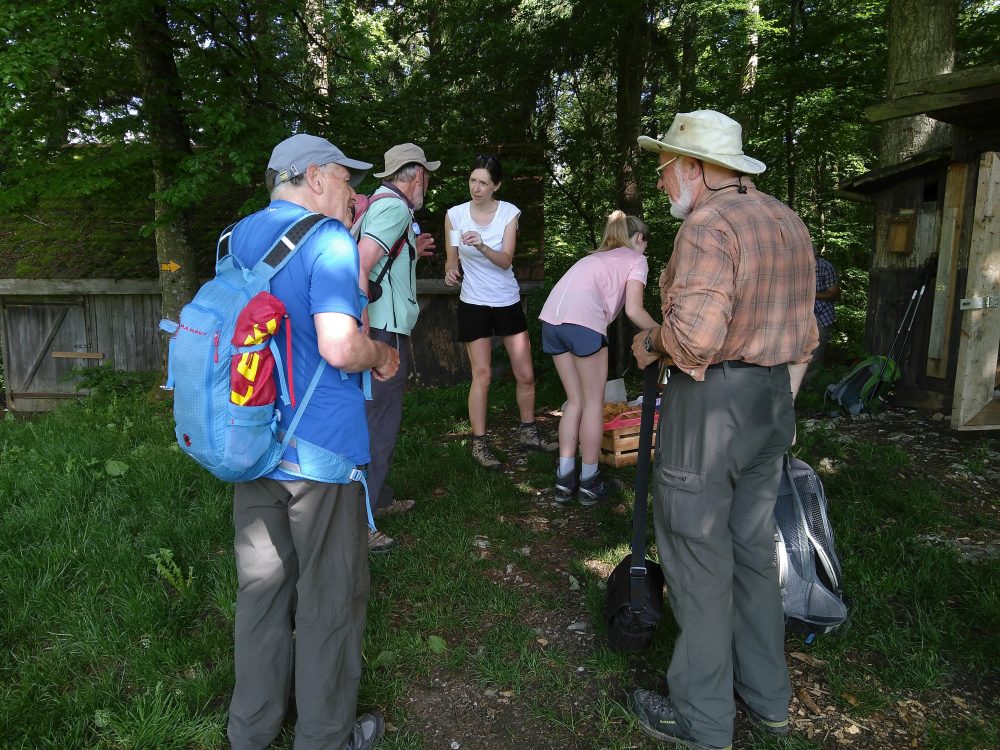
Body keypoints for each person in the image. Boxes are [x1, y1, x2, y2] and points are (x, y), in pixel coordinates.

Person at [627, 110, 818, 750]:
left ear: (698, 169)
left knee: (697, 553)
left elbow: (695, 339)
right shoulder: (786, 220)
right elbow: (807, 337)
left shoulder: (708, 226)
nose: (661, 183)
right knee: (752, 553)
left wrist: (649, 340)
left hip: (712, 405)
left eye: (665, 168)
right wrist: (778, 410)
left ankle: (703, 720)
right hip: (771, 403)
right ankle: (767, 699)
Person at [227, 133, 399, 750]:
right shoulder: (325, 241)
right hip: (319, 455)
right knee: (329, 600)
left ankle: (251, 730)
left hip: (252, 443)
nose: (354, 195)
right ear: (317, 177)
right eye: (348, 181)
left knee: (262, 595)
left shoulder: (237, 238)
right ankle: (325, 737)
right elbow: (339, 346)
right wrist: (381, 354)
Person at [539, 211, 659, 505]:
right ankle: (590, 482)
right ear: (639, 239)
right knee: (593, 403)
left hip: (550, 321)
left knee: (575, 401)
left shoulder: (592, 258)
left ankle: (564, 480)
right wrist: (664, 333)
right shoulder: (636, 259)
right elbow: (633, 310)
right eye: (645, 244)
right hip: (582, 323)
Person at [356, 143, 440, 555]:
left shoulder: (385, 206)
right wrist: (364, 322)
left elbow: (384, 265)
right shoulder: (393, 209)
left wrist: (413, 253)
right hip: (382, 332)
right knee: (380, 423)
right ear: (416, 175)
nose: (427, 183)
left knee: (376, 418)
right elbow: (362, 262)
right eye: (427, 175)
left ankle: (379, 495)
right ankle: (362, 521)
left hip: (383, 327)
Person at [444, 153, 553, 469]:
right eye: (472, 180)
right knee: (483, 375)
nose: (476, 188)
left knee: (526, 374)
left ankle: (529, 432)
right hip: (473, 302)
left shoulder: (508, 214)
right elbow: (452, 257)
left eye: (483, 183)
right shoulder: (455, 215)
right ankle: (480, 443)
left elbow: (506, 260)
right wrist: (451, 270)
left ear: (496, 186)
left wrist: (480, 246)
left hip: (506, 300)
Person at [804, 251, 840, 383]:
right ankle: (798, 385)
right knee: (800, 349)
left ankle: (809, 386)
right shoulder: (798, 265)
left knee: (816, 351)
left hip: (821, 315)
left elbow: (834, 293)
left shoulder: (825, 266)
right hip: (802, 314)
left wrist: (811, 295)